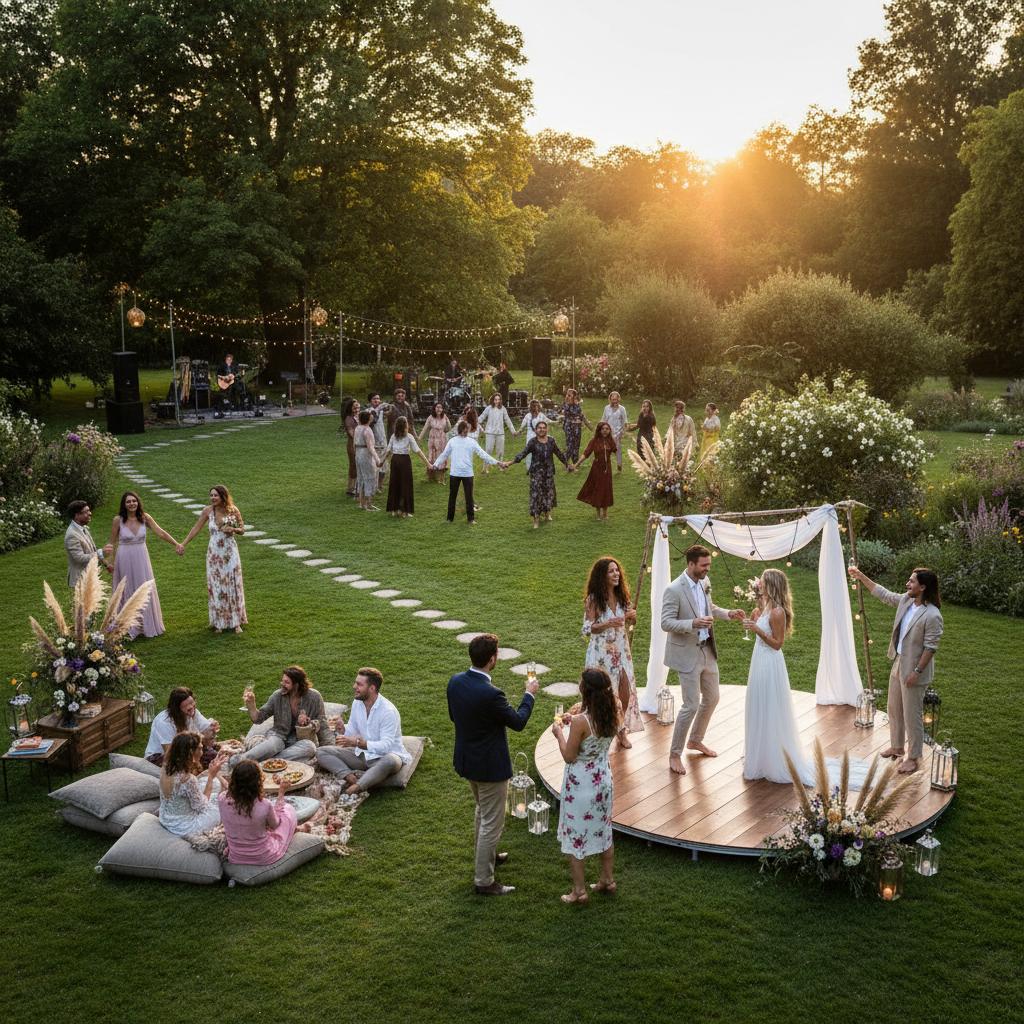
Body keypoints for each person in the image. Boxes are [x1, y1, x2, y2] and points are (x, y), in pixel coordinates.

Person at [447, 634, 538, 896]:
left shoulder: (456, 681)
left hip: (467, 762)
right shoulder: (492, 694)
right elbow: (519, 722)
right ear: (492, 659)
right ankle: (484, 880)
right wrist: (529, 695)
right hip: (490, 768)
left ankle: (488, 856)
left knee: (482, 811)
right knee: (492, 822)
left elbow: (455, 716)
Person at [849, 565, 944, 775]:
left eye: (911, 581)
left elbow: (930, 648)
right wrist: (861, 576)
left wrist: (916, 672)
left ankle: (913, 757)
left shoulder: (932, 615)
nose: (907, 584)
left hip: (915, 669)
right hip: (899, 661)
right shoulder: (906, 600)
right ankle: (898, 746)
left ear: (923, 587)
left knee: (912, 715)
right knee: (894, 708)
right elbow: (884, 594)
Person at [661, 543, 745, 775]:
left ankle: (695, 740)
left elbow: (709, 607)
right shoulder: (674, 590)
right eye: (704, 565)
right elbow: (665, 623)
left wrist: (728, 613)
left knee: (713, 697)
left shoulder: (705, 582)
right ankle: (674, 754)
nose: (708, 569)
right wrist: (693, 624)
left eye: (709, 564)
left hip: (707, 650)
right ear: (691, 564)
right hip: (687, 654)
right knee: (691, 705)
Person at [552, 668, 618, 904]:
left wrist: (559, 733)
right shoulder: (613, 711)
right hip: (603, 782)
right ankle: (608, 880)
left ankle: (579, 891)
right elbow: (593, 733)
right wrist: (574, 723)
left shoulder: (581, 721)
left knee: (575, 836)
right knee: (604, 829)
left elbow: (569, 756)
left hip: (581, 786)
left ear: (584, 689)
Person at [317, 667, 412, 794]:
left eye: (359, 684)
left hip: (384, 758)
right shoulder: (358, 702)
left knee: (390, 760)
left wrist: (357, 743)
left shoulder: (388, 712)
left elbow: (386, 746)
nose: (354, 686)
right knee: (321, 752)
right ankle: (349, 777)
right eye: (356, 682)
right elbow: (353, 729)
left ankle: (358, 787)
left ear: (371, 688)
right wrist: (342, 728)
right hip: (362, 756)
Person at [582, 557, 643, 747]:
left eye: (617, 570)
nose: (616, 574)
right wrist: (608, 623)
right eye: (611, 571)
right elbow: (587, 629)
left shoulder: (623, 597)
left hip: (621, 651)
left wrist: (632, 618)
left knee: (625, 691)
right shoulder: (593, 600)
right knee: (605, 695)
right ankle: (598, 729)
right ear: (602, 576)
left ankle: (621, 729)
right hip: (601, 654)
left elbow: (629, 623)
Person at [108, 491, 178, 639]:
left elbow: (161, 532)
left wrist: (176, 544)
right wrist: (110, 562)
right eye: (128, 502)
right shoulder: (118, 520)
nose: (132, 504)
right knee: (126, 588)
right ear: (124, 504)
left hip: (141, 556)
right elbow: (111, 543)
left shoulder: (145, 518)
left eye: (134, 501)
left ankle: (145, 625)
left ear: (138, 502)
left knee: (143, 587)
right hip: (124, 557)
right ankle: (126, 626)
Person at [179, 484, 247, 634]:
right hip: (214, 555)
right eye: (211, 495)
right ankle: (219, 623)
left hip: (230, 553)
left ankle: (236, 623)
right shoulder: (207, 511)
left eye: (216, 495)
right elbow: (196, 528)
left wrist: (233, 529)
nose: (213, 498)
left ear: (223, 496)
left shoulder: (233, 510)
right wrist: (183, 543)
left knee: (232, 584)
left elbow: (242, 529)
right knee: (217, 586)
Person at [237, 666, 333, 766]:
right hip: (278, 736)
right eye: (282, 681)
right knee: (274, 744)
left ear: (296, 685)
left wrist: (310, 723)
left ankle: (268, 762)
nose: (282, 684)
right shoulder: (277, 696)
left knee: (310, 747)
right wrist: (251, 705)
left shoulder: (314, 697)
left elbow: (322, 721)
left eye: (286, 682)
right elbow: (258, 718)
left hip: (298, 741)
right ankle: (241, 760)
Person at [219, 759, 298, 865]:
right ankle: (295, 828)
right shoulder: (264, 804)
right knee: (288, 811)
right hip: (263, 855)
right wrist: (281, 793)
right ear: (257, 782)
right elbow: (275, 825)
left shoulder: (222, 798)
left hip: (237, 855)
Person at [502, 420, 572, 529]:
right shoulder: (533, 442)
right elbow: (523, 453)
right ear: (536, 430)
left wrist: (567, 464)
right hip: (536, 473)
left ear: (547, 429)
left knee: (548, 493)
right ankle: (536, 520)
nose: (542, 430)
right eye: (540, 428)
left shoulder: (551, 441)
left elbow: (559, 453)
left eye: (544, 427)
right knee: (536, 496)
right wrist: (510, 463)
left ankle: (547, 514)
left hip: (548, 472)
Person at [431, 421, 501, 525]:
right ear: (466, 430)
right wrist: (435, 465)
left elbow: (483, 454)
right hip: (459, 473)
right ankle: (461, 519)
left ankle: (458, 519)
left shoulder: (465, 442)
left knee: (460, 497)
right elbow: (444, 455)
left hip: (465, 473)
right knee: (461, 496)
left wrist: (496, 462)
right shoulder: (455, 441)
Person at [158, 732, 228, 837]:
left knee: (214, 786)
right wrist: (211, 776)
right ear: (191, 752)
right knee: (222, 799)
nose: (202, 752)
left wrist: (203, 776)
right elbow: (202, 806)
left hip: (166, 819)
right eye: (199, 749)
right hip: (186, 827)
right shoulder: (187, 779)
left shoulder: (166, 769)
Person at [145, 686, 220, 768]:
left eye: (191, 702)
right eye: (186, 705)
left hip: (187, 750)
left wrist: (211, 729)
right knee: (181, 766)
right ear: (177, 707)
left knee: (212, 755)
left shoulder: (192, 712)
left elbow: (205, 736)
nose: (191, 707)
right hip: (161, 755)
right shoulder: (164, 722)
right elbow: (170, 752)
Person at [383, 416, 429, 516]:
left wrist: (382, 462)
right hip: (404, 461)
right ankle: (405, 511)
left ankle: (393, 510)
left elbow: (388, 450)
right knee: (405, 484)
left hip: (395, 461)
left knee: (394, 484)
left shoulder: (393, 436)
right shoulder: (409, 437)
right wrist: (428, 463)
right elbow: (418, 451)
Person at [574, 421, 617, 521]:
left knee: (606, 489)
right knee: (598, 489)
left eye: (607, 429)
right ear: (599, 430)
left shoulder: (610, 440)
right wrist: (576, 464)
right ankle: (598, 514)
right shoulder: (594, 441)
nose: (605, 431)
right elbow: (586, 453)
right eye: (603, 429)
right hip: (597, 468)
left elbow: (614, 450)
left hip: (607, 469)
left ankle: (605, 513)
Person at [65, 500, 113, 587]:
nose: (90, 513)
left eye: (89, 510)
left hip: (89, 577)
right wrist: (101, 552)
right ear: (77, 515)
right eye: (86, 512)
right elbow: (80, 558)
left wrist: (105, 563)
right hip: (81, 581)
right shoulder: (72, 535)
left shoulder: (82, 528)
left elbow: (92, 551)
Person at [478, 392, 517, 471]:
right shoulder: (489, 408)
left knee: (500, 451)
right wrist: (475, 423)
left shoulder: (503, 409)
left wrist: (513, 431)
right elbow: (481, 418)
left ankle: (501, 465)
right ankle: (485, 467)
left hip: (500, 433)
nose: (497, 401)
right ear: (493, 400)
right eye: (495, 400)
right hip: (490, 433)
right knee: (488, 450)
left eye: (498, 400)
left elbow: (507, 420)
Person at [354, 409, 381, 511]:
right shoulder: (367, 430)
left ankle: (361, 503)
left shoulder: (357, 428)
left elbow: (355, 444)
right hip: (365, 455)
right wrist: (377, 459)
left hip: (358, 453)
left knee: (361, 477)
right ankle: (368, 504)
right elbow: (370, 447)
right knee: (369, 477)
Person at [418, 402, 451, 483]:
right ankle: (431, 476)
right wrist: (419, 438)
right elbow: (425, 428)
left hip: (442, 439)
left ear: (442, 409)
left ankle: (441, 477)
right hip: (432, 439)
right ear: (434, 408)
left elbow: (449, 427)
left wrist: (443, 432)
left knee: (441, 456)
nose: (439, 409)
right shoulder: (431, 417)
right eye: (437, 407)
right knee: (432, 456)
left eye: (440, 407)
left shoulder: (445, 417)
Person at [559, 388, 592, 464]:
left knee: (577, 444)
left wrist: (588, 424)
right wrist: (575, 419)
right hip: (569, 427)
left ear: (575, 396)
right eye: (568, 394)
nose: (569, 396)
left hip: (578, 427)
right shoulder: (566, 405)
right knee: (570, 444)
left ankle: (575, 462)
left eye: (571, 395)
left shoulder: (578, 405)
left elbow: (582, 415)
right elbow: (566, 415)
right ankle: (566, 462)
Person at [601, 392, 628, 472]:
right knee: (605, 451)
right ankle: (605, 468)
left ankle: (619, 468)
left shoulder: (622, 409)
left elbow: (624, 423)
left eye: (616, 399)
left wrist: (620, 435)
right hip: (607, 433)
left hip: (617, 433)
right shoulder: (607, 408)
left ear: (618, 399)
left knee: (617, 451)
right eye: (612, 399)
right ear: (610, 399)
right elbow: (603, 420)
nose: (614, 401)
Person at [518, 399, 548, 471]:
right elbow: (522, 426)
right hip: (530, 437)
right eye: (534, 406)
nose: (536, 407)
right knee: (529, 453)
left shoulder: (541, 416)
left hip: (538, 437)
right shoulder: (528, 416)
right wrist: (518, 431)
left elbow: (546, 423)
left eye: (537, 405)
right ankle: (530, 468)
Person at [368, 392, 389, 493]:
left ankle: (379, 484)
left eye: (378, 399)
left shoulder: (380, 411)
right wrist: (379, 408)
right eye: (374, 399)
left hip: (383, 441)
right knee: (374, 466)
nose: (377, 401)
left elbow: (390, 409)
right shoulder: (368, 412)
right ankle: (374, 485)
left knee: (384, 466)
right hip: (373, 443)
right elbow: (373, 422)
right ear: (370, 401)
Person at [342, 397, 361, 496]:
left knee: (358, 465)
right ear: (350, 409)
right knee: (353, 465)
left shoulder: (359, 416)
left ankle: (355, 487)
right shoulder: (349, 419)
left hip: (359, 444)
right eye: (354, 408)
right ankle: (351, 488)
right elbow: (351, 432)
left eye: (358, 407)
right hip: (352, 444)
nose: (357, 410)